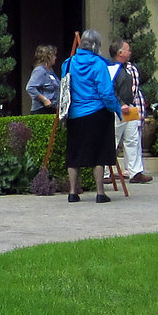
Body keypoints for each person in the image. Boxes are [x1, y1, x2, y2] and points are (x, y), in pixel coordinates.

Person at [61, 30, 122, 203]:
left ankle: (73, 192)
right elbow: (106, 93)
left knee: (74, 154)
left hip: (74, 115)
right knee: (99, 154)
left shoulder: (68, 63)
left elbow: (65, 88)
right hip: (97, 114)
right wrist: (116, 108)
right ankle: (100, 193)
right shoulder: (98, 64)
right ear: (96, 45)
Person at [109, 39, 154, 184]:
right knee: (113, 140)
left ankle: (135, 172)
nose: (130, 52)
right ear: (120, 53)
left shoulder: (126, 68)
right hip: (118, 109)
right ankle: (105, 172)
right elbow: (109, 90)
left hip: (129, 108)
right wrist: (120, 104)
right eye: (127, 50)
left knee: (133, 139)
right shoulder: (111, 69)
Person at [24, 44, 60, 115]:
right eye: (54, 55)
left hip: (52, 109)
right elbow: (30, 88)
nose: (55, 57)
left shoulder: (50, 71)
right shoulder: (40, 70)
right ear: (48, 57)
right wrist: (44, 100)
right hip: (42, 110)